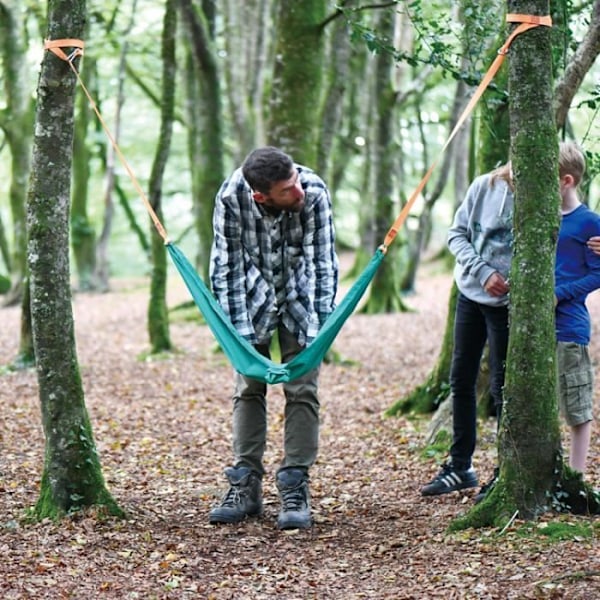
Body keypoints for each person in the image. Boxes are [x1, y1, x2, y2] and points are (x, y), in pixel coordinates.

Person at [208, 146, 339, 529]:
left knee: (302, 387)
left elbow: (323, 263)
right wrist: (243, 342)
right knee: (249, 385)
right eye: (287, 190)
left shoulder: (312, 190)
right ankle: (245, 483)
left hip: (302, 294)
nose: (297, 192)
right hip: (252, 295)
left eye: (295, 181)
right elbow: (226, 266)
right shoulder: (231, 197)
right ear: (261, 196)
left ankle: (295, 482)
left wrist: (315, 336)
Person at [421, 161, 513, 497]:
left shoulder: (546, 195)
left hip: (508, 306)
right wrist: (483, 272)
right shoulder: (484, 186)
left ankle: (508, 472)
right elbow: (456, 234)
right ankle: (460, 466)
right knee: (461, 378)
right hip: (472, 295)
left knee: (505, 387)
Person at [554, 141, 600, 476]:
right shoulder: (542, 218)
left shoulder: (589, 223)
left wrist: (559, 294)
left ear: (566, 180)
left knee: (576, 402)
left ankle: (576, 476)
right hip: (533, 329)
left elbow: (597, 274)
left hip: (569, 326)